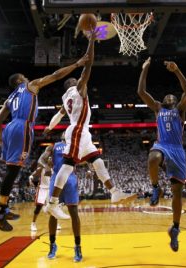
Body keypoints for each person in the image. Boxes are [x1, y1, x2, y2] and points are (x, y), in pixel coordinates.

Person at [43, 30, 136, 221]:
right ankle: (52, 203)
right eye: (79, 81)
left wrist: (49, 128)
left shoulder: (65, 97)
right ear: (74, 83)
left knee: (97, 160)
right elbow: (89, 65)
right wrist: (92, 41)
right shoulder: (77, 90)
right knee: (68, 166)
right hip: (78, 130)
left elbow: (58, 116)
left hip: (80, 131)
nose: (81, 82)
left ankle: (114, 191)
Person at [0, 54, 88, 232]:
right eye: (24, 77)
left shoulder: (10, 98)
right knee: (13, 171)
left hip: (9, 128)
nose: (27, 78)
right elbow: (56, 75)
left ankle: (3, 207)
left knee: (11, 170)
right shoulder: (30, 85)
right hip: (23, 127)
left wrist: (1, 138)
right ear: (20, 79)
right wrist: (77, 64)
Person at [138, 57, 186, 252]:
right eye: (166, 96)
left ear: (176, 101)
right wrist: (144, 69)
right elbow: (141, 92)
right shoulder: (158, 108)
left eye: (172, 96)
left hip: (177, 149)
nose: (169, 97)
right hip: (162, 144)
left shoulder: (180, 109)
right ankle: (155, 188)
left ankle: (175, 228)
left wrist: (177, 71)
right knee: (153, 158)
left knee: (177, 193)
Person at [38, 134, 82, 262]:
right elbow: (41, 159)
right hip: (56, 178)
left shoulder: (75, 146)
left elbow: (84, 159)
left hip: (71, 179)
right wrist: (46, 166)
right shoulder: (53, 146)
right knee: (53, 212)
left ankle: (78, 246)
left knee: (74, 212)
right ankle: (52, 245)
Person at [29, 157, 67, 232]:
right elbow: (32, 175)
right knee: (38, 208)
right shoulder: (42, 168)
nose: (50, 159)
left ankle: (56, 224)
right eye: (49, 158)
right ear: (46, 160)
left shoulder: (55, 169)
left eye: (51, 158)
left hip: (50, 189)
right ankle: (33, 223)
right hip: (42, 189)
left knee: (53, 207)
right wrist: (31, 179)